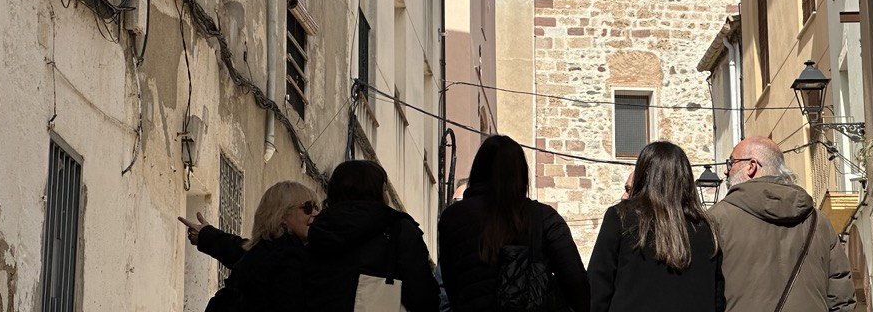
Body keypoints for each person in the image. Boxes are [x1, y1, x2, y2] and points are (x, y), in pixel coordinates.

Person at [438, 134, 590, 312]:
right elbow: (577, 283)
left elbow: (451, 286)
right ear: (521, 175)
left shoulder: (452, 218)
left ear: (478, 170)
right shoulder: (544, 218)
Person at [707, 137, 856, 312]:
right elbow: (841, 298)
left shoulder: (717, 219)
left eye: (731, 162)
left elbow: (703, 292)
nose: (726, 170)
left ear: (751, 166)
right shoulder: (818, 221)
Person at [587, 141, 724, 312]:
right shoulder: (706, 228)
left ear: (643, 175)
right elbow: (717, 297)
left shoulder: (621, 217)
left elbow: (597, 287)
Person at [308, 159, 440, 312]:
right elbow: (421, 292)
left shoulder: (319, 228)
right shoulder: (397, 228)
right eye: (384, 190)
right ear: (376, 192)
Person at [180, 180, 315, 310]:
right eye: (308, 208)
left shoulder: (272, 255)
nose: (316, 214)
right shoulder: (277, 258)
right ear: (282, 215)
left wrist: (207, 236)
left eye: (317, 208)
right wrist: (207, 236)